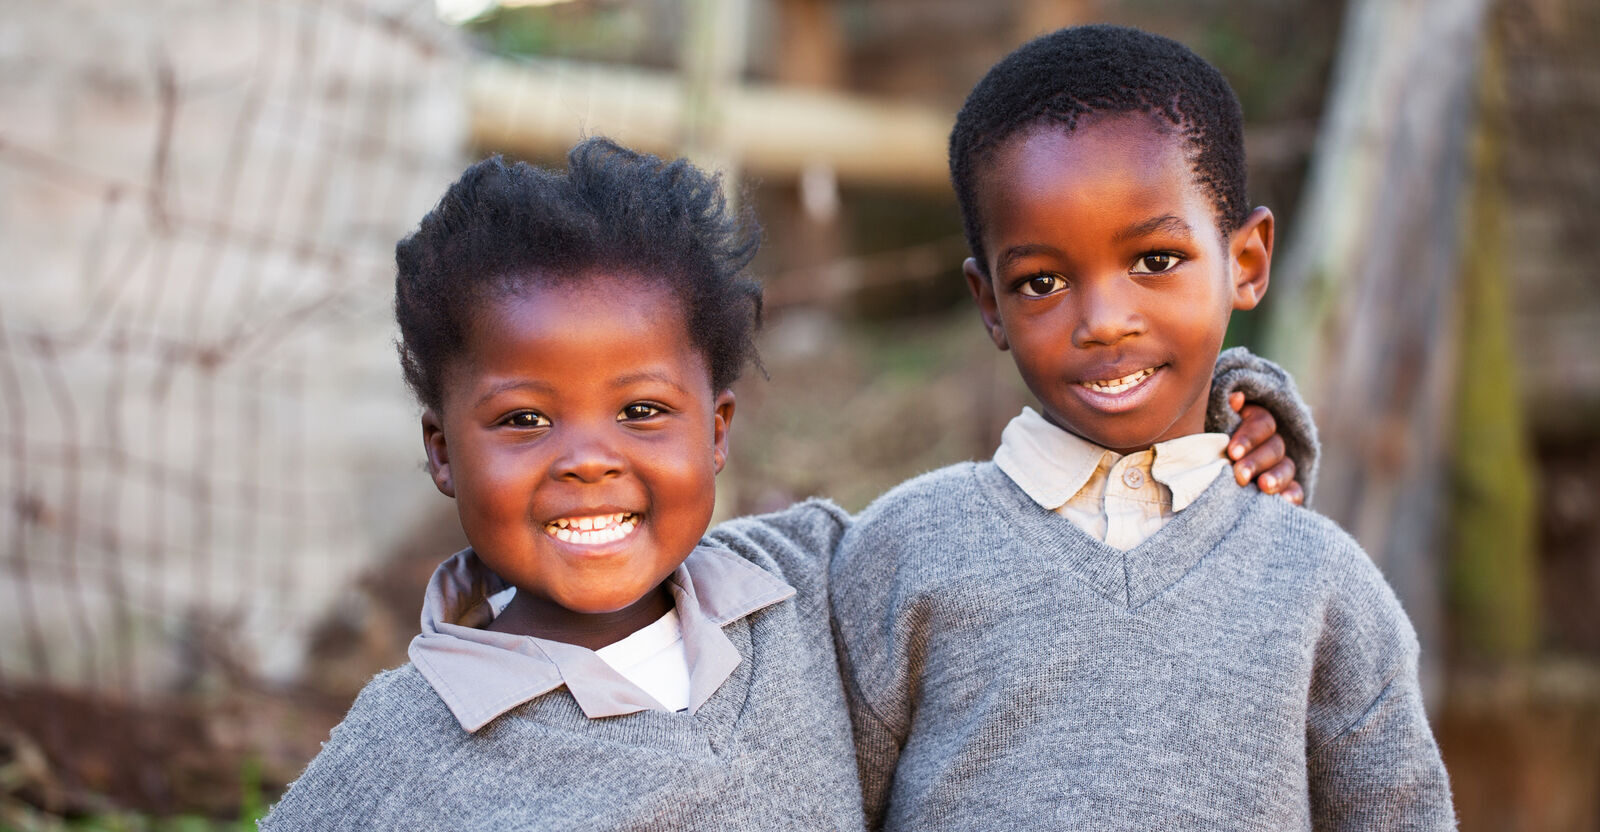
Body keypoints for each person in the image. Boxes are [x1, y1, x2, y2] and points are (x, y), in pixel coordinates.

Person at [261, 138, 1305, 829]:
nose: (587, 457)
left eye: (641, 412)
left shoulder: (810, 587)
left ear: (716, 431)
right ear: (443, 450)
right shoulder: (404, 752)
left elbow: (1021, 529)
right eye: (524, 420)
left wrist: (1218, 420)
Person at [829, 25, 1455, 831]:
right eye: (1043, 281)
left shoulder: (1318, 584)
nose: (1104, 322)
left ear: (1248, 262)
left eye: (1155, 261)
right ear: (990, 305)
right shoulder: (904, 552)